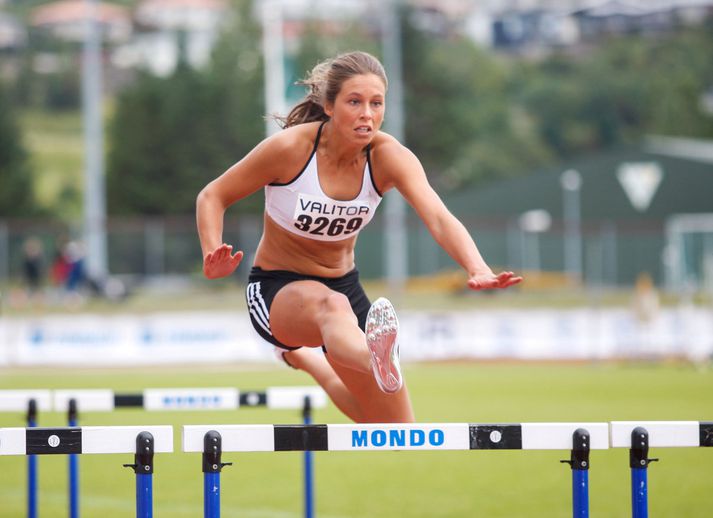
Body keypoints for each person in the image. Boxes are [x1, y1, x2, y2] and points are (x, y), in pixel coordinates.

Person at [196, 51, 522, 424]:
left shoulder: (388, 156)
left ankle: (305, 358)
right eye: (355, 102)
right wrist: (211, 253)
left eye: (376, 103)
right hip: (277, 288)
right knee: (330, 305)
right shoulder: (290, 150)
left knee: (394, 429)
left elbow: (438, 216)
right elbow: (213, 195)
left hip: (345, 287)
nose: (367, 113)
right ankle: (373, 356)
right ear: (329, 106)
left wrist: (477, 267)